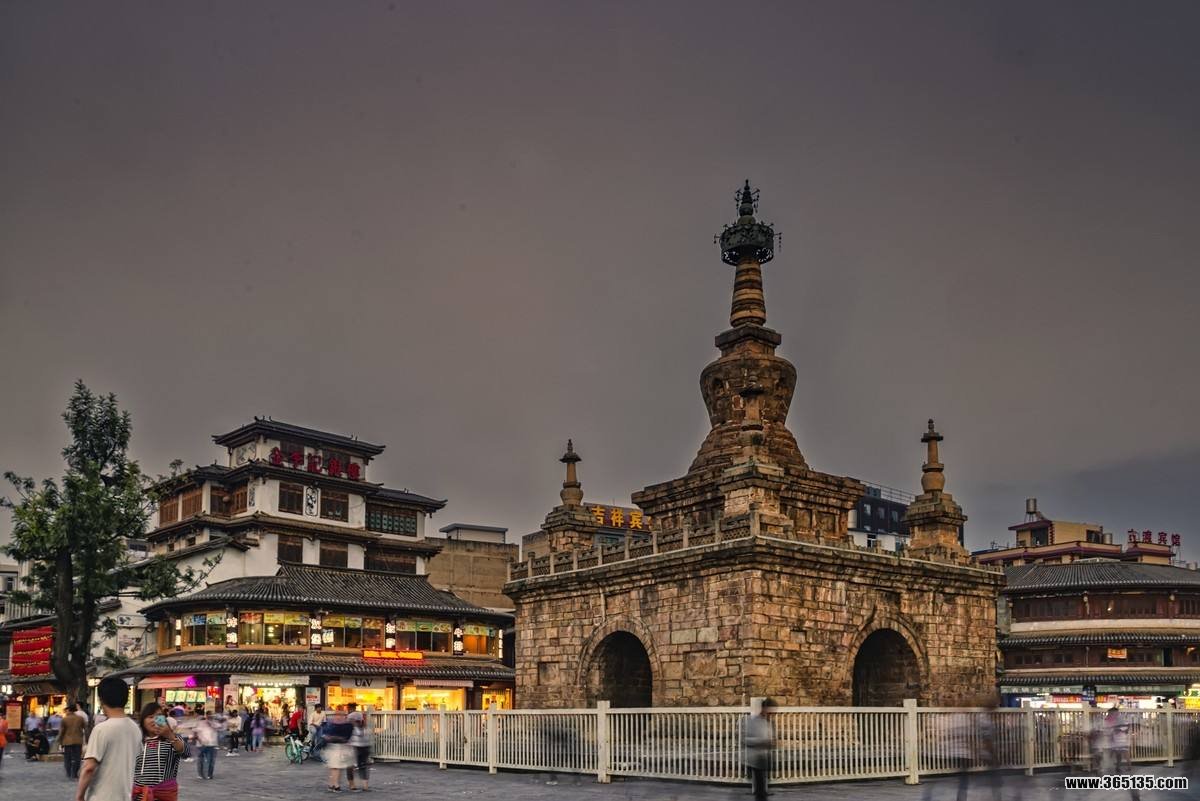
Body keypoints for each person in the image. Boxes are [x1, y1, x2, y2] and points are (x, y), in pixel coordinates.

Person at [75, 676, 142, 801]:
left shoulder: (102, 729)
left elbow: (89, 768)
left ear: (101, 700)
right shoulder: (135, 729)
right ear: (126, 699)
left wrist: (79, 797)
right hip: (125, 796)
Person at [133, 702, 189, 800]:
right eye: (150, 717)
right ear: (143, 720)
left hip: (164, 796)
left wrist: (170, 735)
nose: (154, 720)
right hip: (139, 797)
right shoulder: (136, 740)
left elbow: (186, 753)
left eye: (158, 716)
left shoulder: (173, 738)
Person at [743, 698, 776, 801]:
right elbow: (745, 739)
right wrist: (761, 742)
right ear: (764, 708)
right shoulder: (753, 721)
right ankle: (761, 794)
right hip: (756, 758)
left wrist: (770, 742)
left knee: (762, 784)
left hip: (763, 757)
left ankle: (762, 793)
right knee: (760, 788)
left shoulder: (767, 722)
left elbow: (769, 738)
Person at [322, 707, 358, 792]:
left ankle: (332, 784)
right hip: (334, 747)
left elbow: (347, 736)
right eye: (337, 715)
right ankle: (336, 785)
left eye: (341, 715)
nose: (339, 717)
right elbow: (326, 735)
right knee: (336, 767)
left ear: (345, 716)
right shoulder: (331, 724)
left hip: (344, 747)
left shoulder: (347, 725)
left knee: (339, 767)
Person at [61, 703, 88, 779]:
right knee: (77, 758)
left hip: (67, 741)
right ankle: (75, 773)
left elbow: (62, 731)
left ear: (69, 710)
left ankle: (69, 772)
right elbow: (85, 728)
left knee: (67, 758)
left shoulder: (65, 719)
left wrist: (60, 741)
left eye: (67, 710)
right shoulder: (80, 718)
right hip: (78, 740)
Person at [348, 704, 371, 792]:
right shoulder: (361, 717)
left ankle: (352, 785)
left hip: (354, 746)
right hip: (365, 746)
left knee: (350, 766)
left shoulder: (351, 718)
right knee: (363, 766)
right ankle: (365, 786)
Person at [195, 711, 219, 780]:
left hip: (212, 744)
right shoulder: (200, 723)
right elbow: (196, 733)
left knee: (211, 760)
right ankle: (201, 774)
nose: (210, 716)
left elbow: (219, 727)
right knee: (200, 760)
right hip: (201, 744)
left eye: (211, 715)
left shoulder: (215, 723)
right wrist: (199, 740)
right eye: (209, 715)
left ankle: (209, 774)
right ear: (206, 715)